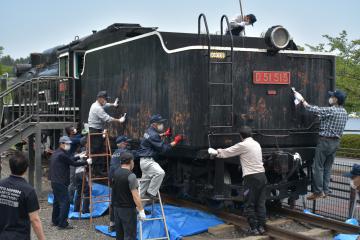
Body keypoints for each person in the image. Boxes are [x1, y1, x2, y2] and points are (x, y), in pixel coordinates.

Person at [208, 126, 267, 235]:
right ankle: (261, 227)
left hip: (251, 177)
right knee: (260, 202)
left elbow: (227, 152)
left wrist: (216, 152)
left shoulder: (243, 145)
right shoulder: (257, 144)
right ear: (251, 135)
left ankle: (254, 228)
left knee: (249, 203)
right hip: (262, 176)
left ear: (241, 136)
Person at [294, 89, 348, 200]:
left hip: (325, 142)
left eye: (332, 97)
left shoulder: (331, 110)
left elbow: (312, 109)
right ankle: (326, 191)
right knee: (327, 168)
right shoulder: (344, 112)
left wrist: (302, 99)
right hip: (336, 142)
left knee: (317, 167)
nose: (330, 98)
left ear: (336, 99)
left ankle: (318, 192)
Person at [0, 151, 46, 240]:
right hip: (19, 236)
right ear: (26, 169)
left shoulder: (1, 184)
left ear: (10, 166)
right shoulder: (28, 190)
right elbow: (34, 220)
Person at [137, 114, 184, 199]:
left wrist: (164, 134)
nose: (161, 125)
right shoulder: (153, 135)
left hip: (144, 161)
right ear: (154, 124)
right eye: (160, 123)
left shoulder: (148, 131)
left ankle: (139, 211)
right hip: (148, 162)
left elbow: (153, 137)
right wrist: (176, 141)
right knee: (160, 173)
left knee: (142, 188)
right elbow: (164, 149)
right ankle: (151, 193)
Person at [49, 136, 91, 229]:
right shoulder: (62, 154)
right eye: (67, 144)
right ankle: (62, 224)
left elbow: (69, 159)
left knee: (56, 201)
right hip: (61, 181)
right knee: (65, 202)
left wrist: (79, 156)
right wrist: (86, 162)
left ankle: (55, 220)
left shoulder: (57, 153)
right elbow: (73, 163)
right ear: (62, 144)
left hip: (54, 181)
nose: (68, 145)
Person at [88, 90, 126, 176]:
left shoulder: (96, 104)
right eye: (105, 99)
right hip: (95, 131)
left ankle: (97, 170)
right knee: (98, 151)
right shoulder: (97, 108)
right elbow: (107, 118)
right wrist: (119, 120)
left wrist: (113, 104)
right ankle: (97, 171)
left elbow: (105, 105)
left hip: (97, 130)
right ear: (100, 98)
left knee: (100, 149)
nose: (106, 101)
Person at [112, 152, 145, 240]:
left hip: (116, 209)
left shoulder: (116, 173)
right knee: (129, 235)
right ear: (131, 162)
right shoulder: (131, 176)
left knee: (120, 235)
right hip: (128, 210)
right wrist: (141, 210)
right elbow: (136, 196)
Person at [109, 135, 131, 232]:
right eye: (126, 142)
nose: (127, 144)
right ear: (122, 143)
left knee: (114, 202)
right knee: (125, 202)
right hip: (122, 179)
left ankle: (112, 224)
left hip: (114, 180)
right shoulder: (124, 152)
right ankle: (124, 224)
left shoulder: (114, 153)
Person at [65, 125, 82, 204]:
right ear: (70, 132)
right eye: (73, 130)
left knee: (73, 181)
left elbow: (79, 136)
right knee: (72, 182)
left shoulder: (71, 138)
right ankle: (71, 200)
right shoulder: (71, 140)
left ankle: (72, 199)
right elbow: (80, 139)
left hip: (71, 160)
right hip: (71, 162)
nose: (75, 130)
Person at [74, 136, 90, 214]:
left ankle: (76, 209)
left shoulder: (77, 150)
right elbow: (86, 161)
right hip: (82, 172)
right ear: (85, 143)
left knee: (79, 191)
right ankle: (85, 210)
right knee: (87, 191)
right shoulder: (85, 151)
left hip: (77, 173)